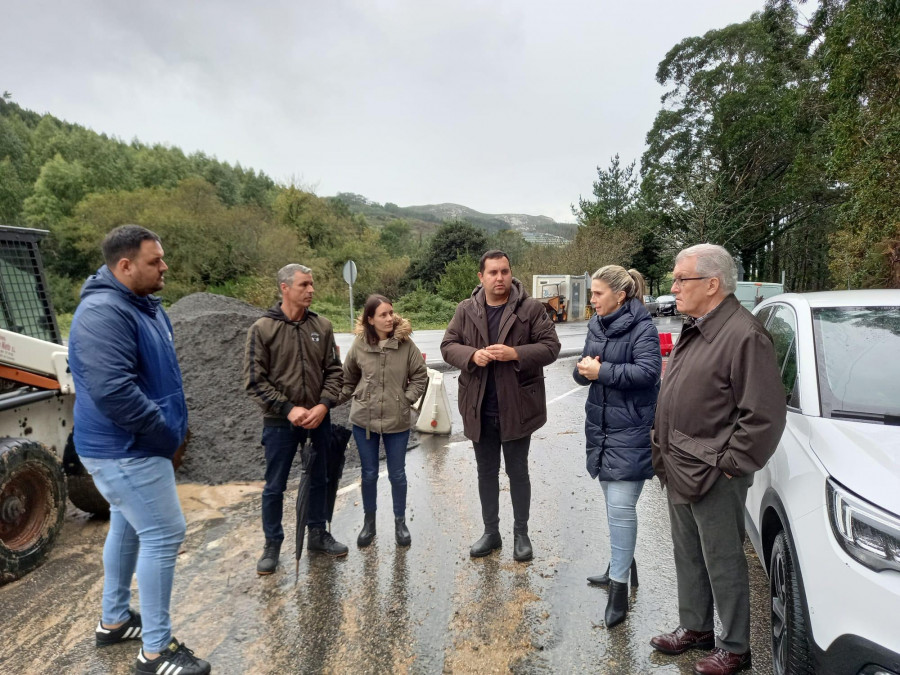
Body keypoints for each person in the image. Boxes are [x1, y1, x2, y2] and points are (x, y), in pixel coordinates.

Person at [69, 225, 211, 675]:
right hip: (125, 448)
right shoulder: (103, 313)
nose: (165, 266)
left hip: (135, 445)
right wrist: (166, 434)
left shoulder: (144, 305)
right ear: (124, 265)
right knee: (164, 533)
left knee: (130, 527)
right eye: (155, 261)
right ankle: (155, 653)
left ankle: (114, 621)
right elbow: (114, 393)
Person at [650, 244, 786, 675]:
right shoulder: (698, 326)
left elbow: (763, 416)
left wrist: (729, 465)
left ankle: (735, 647)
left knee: (723, 561)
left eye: (680, 279)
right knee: (688, 554)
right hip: (680, 463)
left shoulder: (744, 334)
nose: (673, 288)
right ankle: (696, 628)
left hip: (714, 474)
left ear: (712, 284)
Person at [441, 250, 560, 562]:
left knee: (518, 471)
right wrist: (471, 356)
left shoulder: (531, 309)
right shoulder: (466, 309)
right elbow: (447, 345)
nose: (499, 278)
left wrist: (515, 353)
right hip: (479, 407)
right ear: (481, 277)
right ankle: (491, 532)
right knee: (486, 472)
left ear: (511, 273)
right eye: (492, 272)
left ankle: (521, 533)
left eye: (504, 271)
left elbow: (551, 347)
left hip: (517, 407)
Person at [243, 263, 347, 575]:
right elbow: (254, 381)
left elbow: (335, 372)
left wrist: (324, 406)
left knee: (319, 478)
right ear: (285, 288)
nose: (311, 290)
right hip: (279, 422)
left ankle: (317, 533)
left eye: (312, 284)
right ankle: (272, 544)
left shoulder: (323, 327)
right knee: (275, 485)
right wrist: (288, 408)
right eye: (304, 285)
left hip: (319, 418)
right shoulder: (262, 329)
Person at [573, 265, 661, 628]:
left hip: (633, 430)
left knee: (622, 508)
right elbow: (582, 370)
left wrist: (602, 371)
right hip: (603, 428)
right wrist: (583, 371)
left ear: (619, 296)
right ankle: (623, 563)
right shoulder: (597, 324)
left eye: (597, 294)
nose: (591, 301)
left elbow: (648, 373)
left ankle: (619, 588)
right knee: (613, 506)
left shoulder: (644, 328)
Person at [339, 295, 428, 548]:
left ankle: (400, 522)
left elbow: (420, 377)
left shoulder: (405, 345)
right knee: (368, 475)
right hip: (363, 420)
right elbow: (348, 379)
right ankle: (370, 523)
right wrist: (327, 402)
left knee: (397, 474)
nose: (389, 318)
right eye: (383, 315)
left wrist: (404, 400)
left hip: (396, 420)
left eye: (391, 313)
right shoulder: (358, 345)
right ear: (370, 319)